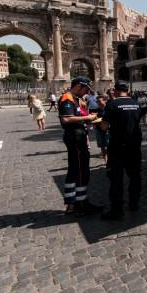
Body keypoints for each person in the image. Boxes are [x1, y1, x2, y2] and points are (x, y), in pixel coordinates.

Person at [59, 76, 102, 216]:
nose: (86, 93)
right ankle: (81, 204)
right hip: (75, 138)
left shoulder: (73, 98)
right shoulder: (67, 97)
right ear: (78, 86)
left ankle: (71, 202)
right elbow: (66, 119)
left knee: (73, 170)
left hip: (75, 136)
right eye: (85, 89)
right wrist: (87, 118)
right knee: (82, 171)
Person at [100, 80, 142, 220]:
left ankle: (117, 209)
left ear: (115, 90)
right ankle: (134, 203)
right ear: (128, 91)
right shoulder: (136, 104)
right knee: (135, 176)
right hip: (134, 146)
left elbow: (104, 127)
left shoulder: (112, 105)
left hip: (117, 146)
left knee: (116, 178)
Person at [94, 94, 109, 166]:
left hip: (107, 130)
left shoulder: (109, 109)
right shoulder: (97, 110)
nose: (98, 103)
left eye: (99, 101)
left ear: (105, 100)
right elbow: (94, 119)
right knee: (102, 146)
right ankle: (106, 161)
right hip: (99, 129)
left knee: (109, 145)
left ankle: (111, 160)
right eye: (97, 101)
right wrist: (93, 122)